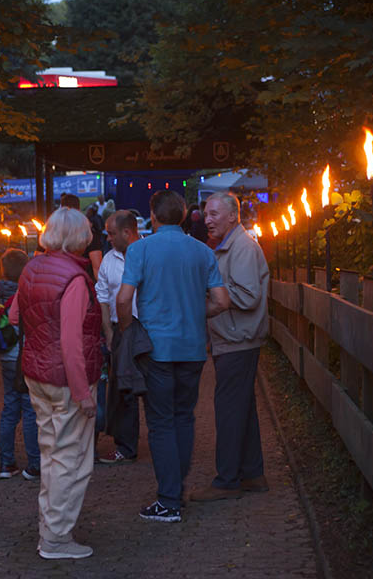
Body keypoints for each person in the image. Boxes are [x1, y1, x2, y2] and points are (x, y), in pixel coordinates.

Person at [116, 190, 230, 523]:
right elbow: (222, 301)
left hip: (156, 348)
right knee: (184, 417)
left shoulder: (140, 249)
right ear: (184, 216)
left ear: (152, 215)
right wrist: (195, 313)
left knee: (161, 423)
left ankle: (168, 499)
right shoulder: (201, 251)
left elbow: (124, 300)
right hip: (193, 347)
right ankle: (175, 491)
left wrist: (128, 331)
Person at [9, 206, 102, 560]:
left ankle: (49, 528)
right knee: (73, 460)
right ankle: (56, 538)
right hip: (66, 380)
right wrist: (84, 394)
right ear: (81, 236)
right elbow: (71, 344)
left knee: (51, 453)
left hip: (36, 375)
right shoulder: (75, 279)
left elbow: (16, 315)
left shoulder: (32, 267)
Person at [191, 192, 271, 502]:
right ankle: (253, 474)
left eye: (213, 214)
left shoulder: (242, 247)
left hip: (238, 340)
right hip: (235, 339)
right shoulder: (231, 246)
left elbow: (249, 296)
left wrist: (210, 300)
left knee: (227, 410)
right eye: (206, 213)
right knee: (242, 409)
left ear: (232, 217)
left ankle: (227, 480)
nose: (207, 219)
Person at [95, 210, 140, 465]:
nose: (108, 238)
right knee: (123, 389)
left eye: (112, 233)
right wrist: (109, 333)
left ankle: (161, 440)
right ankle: (126, 445)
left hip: (144, 327)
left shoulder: (147, 252)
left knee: (151, 386)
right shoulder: (108, 260)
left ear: (127, 232)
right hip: (118, 330)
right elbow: (103, 296)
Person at [0, 248, 40, 480]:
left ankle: (6, 462)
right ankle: (34, 463)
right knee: (30, 409)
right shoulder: (25, 290)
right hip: (22, 355)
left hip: (5, 357)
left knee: (9, 409)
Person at [60, 193, 103, 279]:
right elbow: (97, 267)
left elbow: (39, 258)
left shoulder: (50, 235)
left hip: (57, 284)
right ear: (79, 210)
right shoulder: (89, 234)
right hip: (82, 283)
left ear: (61, 209)